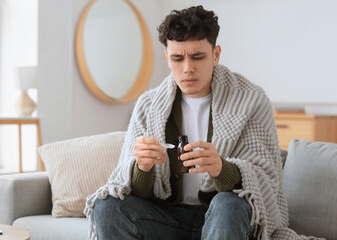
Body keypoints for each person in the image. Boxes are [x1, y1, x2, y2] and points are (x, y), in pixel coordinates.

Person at [84, 5, 315, 240]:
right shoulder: (148, 105)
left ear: (216, 54)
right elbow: (131, 188)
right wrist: (142, 168)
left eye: (197, 56)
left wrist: (222, 168)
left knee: (228, 204)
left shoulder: (251, 101)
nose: (187, 68)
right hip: (167, 218)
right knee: (108, 208)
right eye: (177, 58)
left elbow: (266, 181)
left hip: (225, 217)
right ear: (167, 57)